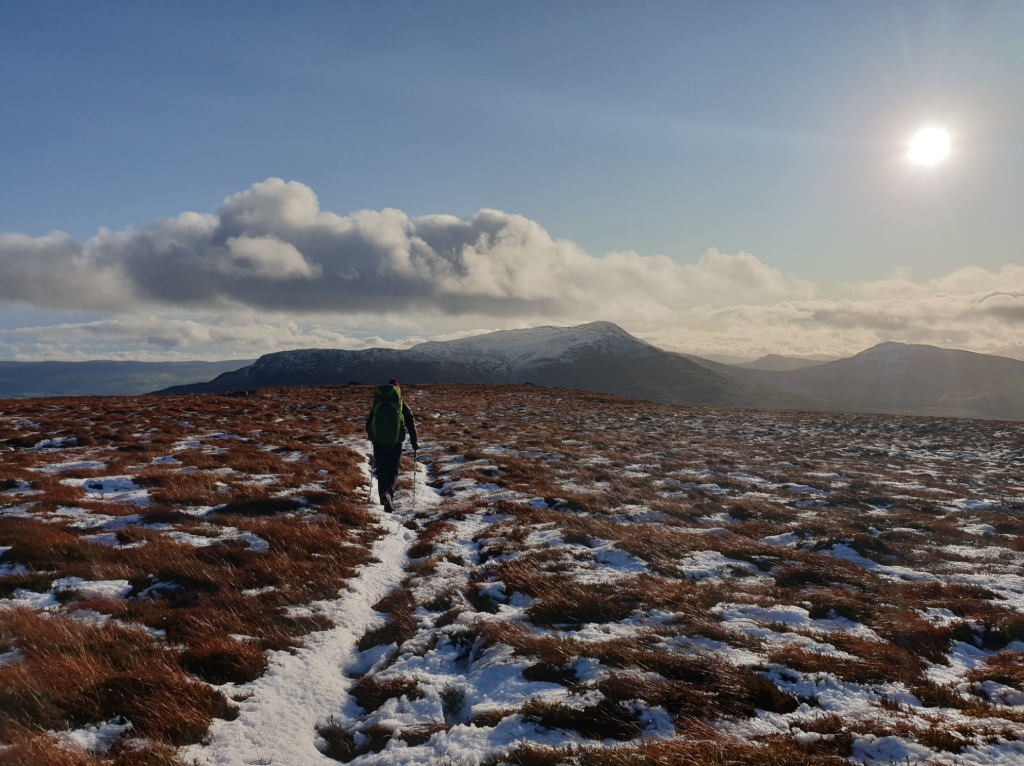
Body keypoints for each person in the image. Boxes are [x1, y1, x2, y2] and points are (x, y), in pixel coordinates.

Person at [365, 378, 418, 512]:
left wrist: (373, 437)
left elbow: (368, 424)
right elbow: (411, 424)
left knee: (381, 470)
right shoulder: (401, 405)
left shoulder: (378, 405)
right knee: (392, 470)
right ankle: (388, 493)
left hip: (379, 442)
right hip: (395, 442)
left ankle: (382, 494)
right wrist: (414, 441)